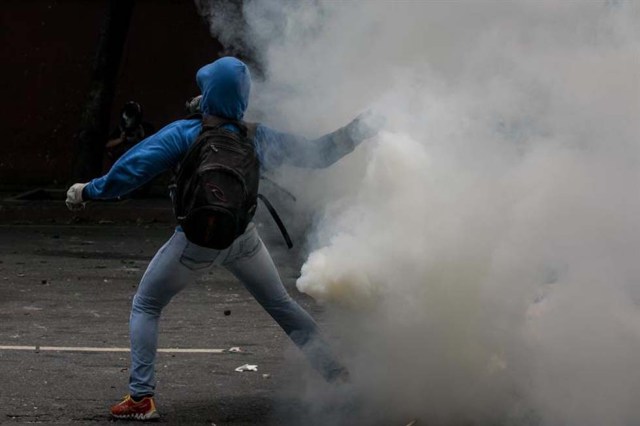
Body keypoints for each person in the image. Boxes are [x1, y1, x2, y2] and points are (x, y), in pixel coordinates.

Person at [65, 56, 381, 421]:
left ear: (209, 94)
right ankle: (337, 376)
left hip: (196, 242)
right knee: (283, 306)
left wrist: (88, 191)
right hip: (242, 236)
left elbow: (131, 170)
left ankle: (141, 398)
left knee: (146, 304)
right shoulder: (255, 135)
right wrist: (361, 128)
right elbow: (319, 154)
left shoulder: (186, 133)